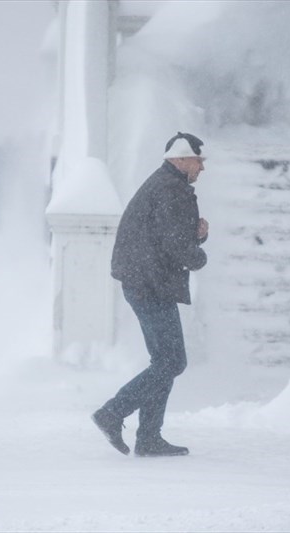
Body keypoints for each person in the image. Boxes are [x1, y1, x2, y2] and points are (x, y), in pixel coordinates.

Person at [92, 132, 209, 457]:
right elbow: (174, 244)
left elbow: (169, 236)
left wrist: (198, 236)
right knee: (172, 361)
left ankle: (149, 438)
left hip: (146, 280)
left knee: (165, 361)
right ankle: (113, 413)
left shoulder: (166, 185)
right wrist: (199, 255)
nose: (202, 167)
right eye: (199, 160)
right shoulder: (171, 190)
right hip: (149, 283)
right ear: (182, 159)